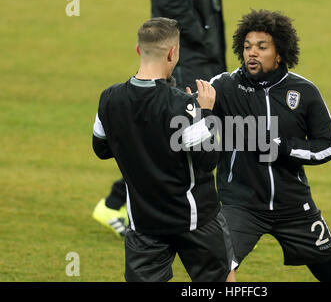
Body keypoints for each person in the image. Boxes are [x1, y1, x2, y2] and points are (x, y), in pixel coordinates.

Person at [210, 9, 331, 282]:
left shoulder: (305, 92)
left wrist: (283, 146)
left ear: (280, 53)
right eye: (248, 46)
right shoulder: (224, 87)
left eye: (262, 47)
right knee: (218, 268)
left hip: (294, 206)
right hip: (240, 205)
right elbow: (189, 117)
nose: (252, 53)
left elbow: (328, 145)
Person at [92, 17, 234, 282]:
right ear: (173, 52)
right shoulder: (183, 106)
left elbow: (101, 148)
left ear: (138, 49)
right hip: (195, 221)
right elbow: (208, 161)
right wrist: (205, 113)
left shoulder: (109, 98)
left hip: (144, 224)